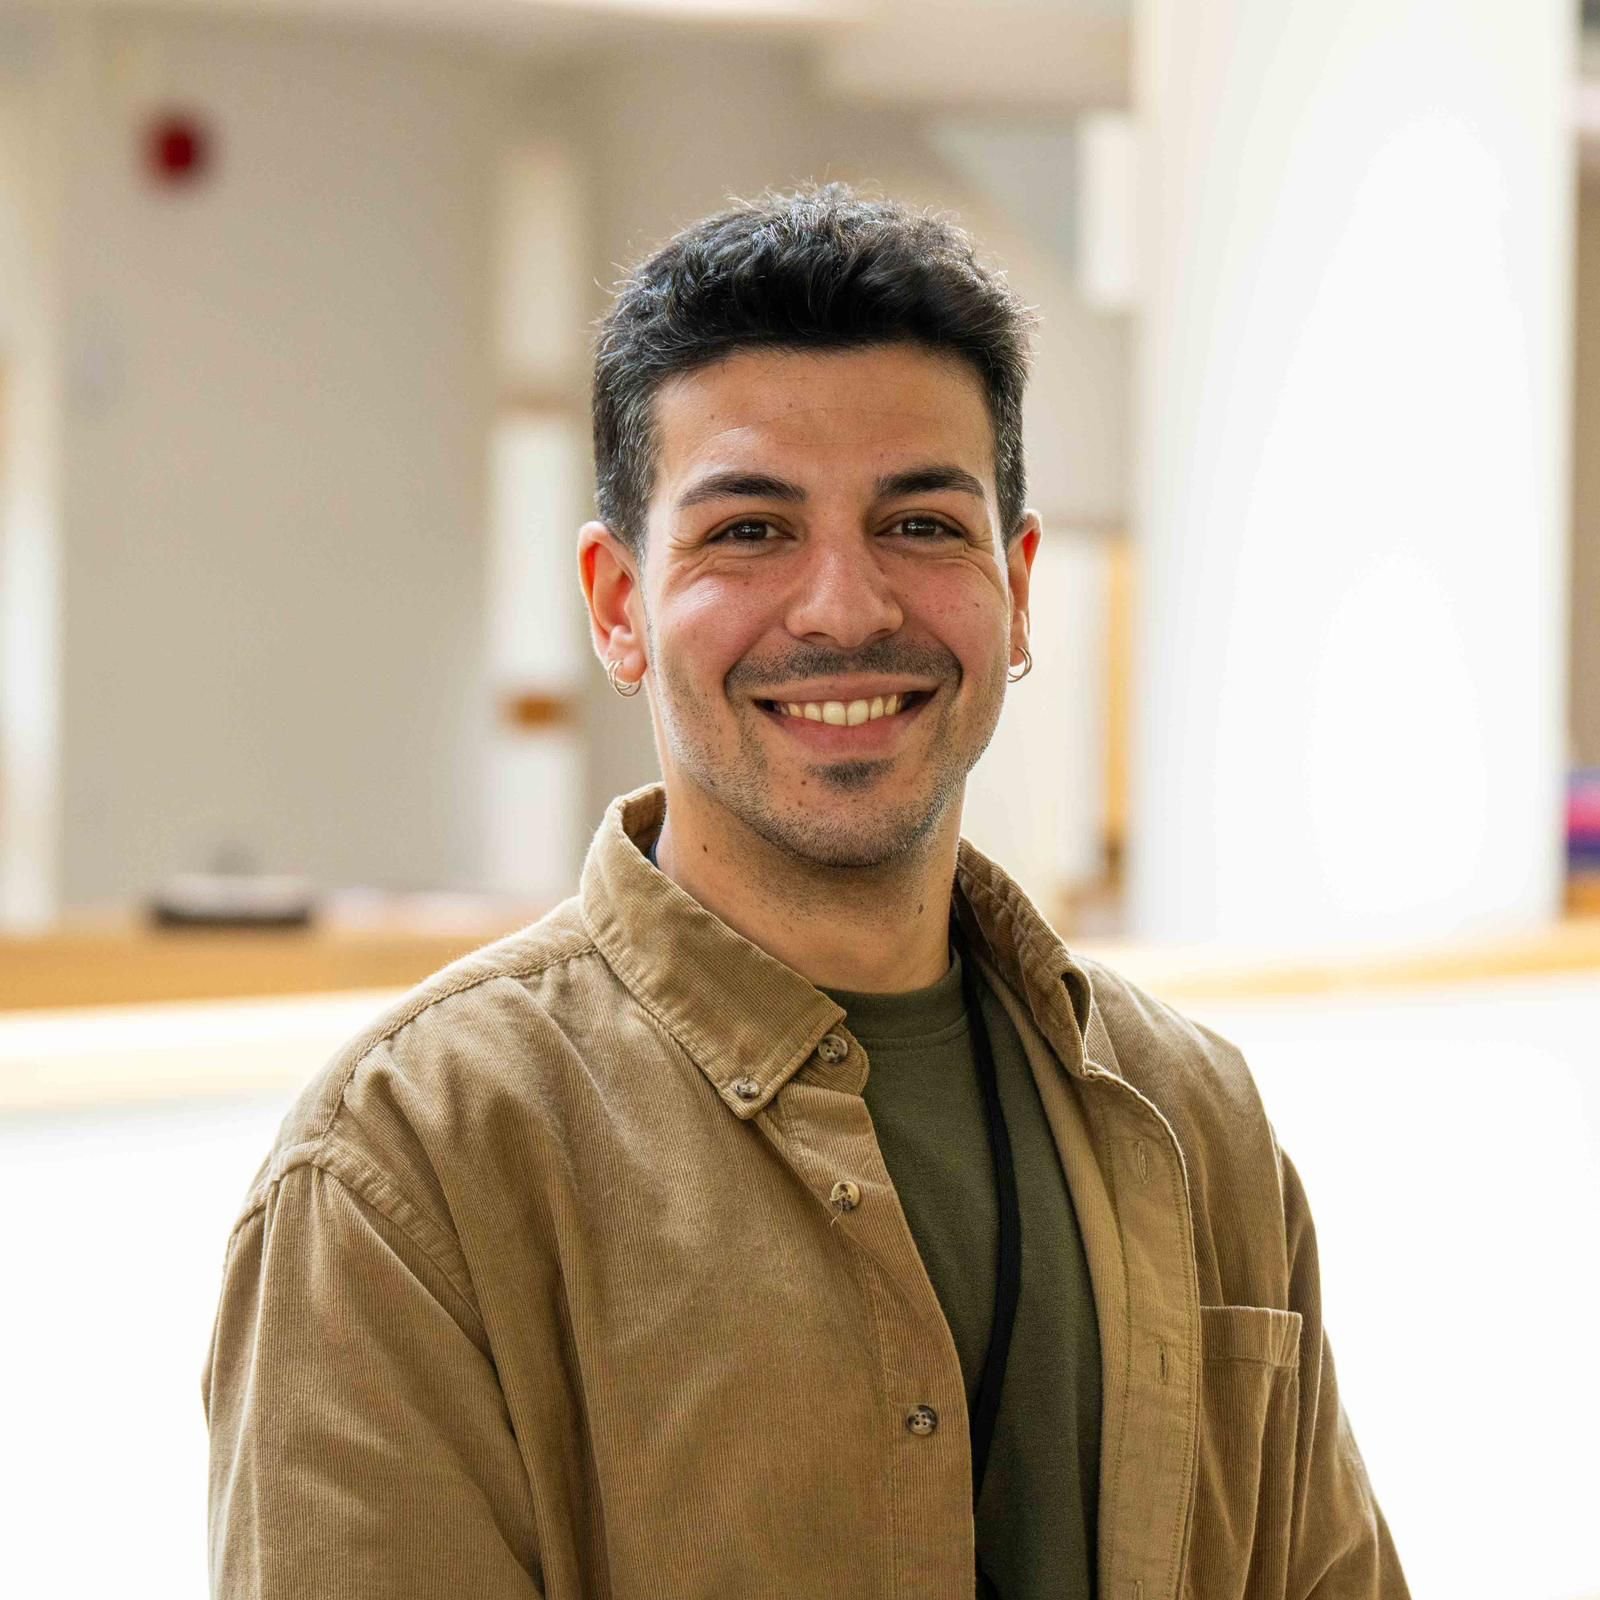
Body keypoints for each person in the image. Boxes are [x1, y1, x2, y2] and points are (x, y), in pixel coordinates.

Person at [203, 185, 1409, 1600]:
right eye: (750, 531)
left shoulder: (1193, 1117)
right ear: (617, 605)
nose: (846, 606)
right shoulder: (411, 1170)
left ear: (1018, 589)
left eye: (922, 524)